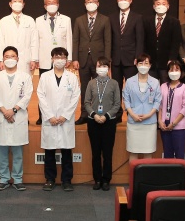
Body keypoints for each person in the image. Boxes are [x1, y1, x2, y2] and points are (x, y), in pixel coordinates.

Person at [0, 46, 34, 191]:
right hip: (1, 117)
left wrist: (13, 110)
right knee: (2, 151)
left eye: (12, 56)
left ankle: (17, 179)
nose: (10, 59)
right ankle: (3, 178)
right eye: (7, 56)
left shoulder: (25, 77)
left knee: (17, 151)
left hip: (18, 116)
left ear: (18, 59)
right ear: (2, 59)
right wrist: (5, 111)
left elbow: (27, 96)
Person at [37, 47, 80, 192]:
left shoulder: (72, 77)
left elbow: (75, 97)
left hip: (65, 120)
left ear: (66, 60)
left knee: (66, 151)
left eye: (62, 57)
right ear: (52, 59)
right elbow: (41, 96)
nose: (59, 60)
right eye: (57, 57)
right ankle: (50, 179)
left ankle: (67, 180)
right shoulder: (45, 77)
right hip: (49, 119)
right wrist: (49, 116)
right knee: (49, 151)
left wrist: (65, 116)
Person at [73, 0, 112, 125]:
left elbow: (108, 41)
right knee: (84, 88)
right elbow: (75, 40)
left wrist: (106, 61)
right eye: (88, 1)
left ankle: (98, 114)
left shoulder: (105, 20)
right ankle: (84, 114)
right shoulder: (79, 20)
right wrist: (75, 58)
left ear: (98, 3)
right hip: (83, 59)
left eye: (93, 1)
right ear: (85, 4)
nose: (91, 3)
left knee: (99, 88)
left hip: (99, 61)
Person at [35, 0, 73, 125]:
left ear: (58, 4)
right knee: (44, 89)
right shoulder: (38, 20)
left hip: (61, 59)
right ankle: (42, 116)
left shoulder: (66, 19)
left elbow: (69, 39)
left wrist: (69, 58)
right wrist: (35, 58)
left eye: (54, 2)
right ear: (45, 6)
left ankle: (61, 114)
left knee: (61, 88)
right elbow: (36, 41)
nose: (52, 5)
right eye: (49, 3)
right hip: (44, 60)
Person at [84, 57, 120, 191]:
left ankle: (106, 180)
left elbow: (117, 104)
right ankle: (97, 179)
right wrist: (94, 115)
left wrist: (106, 116)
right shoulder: (91, 83)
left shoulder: (114, 83)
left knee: (107, 153)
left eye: (105, 66)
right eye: (100, 66)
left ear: (108, 69)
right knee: (95, 153)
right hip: (93, 121)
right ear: (96, 68)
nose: (102, 68)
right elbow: (86, 102)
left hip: (109, 121)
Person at [111, 0, 144, 121]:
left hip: (131, 59)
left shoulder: (137, 17)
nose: (123, 1)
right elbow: (110, 39)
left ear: (131, 0)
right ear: (117, 1)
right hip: (115, 59)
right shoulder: (112, 17)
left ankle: (132, 113)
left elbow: (140, 39)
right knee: (116, 88)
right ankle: (117, 114)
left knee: (132, 88)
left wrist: (138, 57)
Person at [122, 54, 162, 162]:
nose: (143, 65)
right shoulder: (129, 81)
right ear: (136, 65)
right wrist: (132, 115)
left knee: (148, 152)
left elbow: (157, 101)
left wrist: (149, 114)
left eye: (146, 63)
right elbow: (126, 100)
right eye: (141, 63)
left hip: (150, 122)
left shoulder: (155, 82)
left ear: (150, 65)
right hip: (133, 121)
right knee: (133, 152)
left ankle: (146, 174)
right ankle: (133, 174)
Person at [0, 0, 38, 76]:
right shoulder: (4, 21)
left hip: (25, 60)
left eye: (19, 1)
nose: (17, 3)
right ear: (10, 4)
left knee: (25, 80)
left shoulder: (30, 20)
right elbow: (0, 42)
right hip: (9, 59)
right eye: (15, 1)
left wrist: (34, 59)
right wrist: (0, 60)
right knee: (9, 80)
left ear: (23, 4)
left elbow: (34, 41)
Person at [143, 0, 181, 85]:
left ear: (168, 6)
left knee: (166, 86)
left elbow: (176, 42)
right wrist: (145, 58)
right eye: (158, 4)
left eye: (163, 4)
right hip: (151, 61)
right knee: (150, 87)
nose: (161, 6)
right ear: (154, 6)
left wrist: (172, 59)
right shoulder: (147, 21)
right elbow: (144, 40)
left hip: (166, 62)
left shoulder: (174, 22)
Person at [158, 60, 185, 160]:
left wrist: (174, 123)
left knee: (180, 156)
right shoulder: (163, 86)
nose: (174, 72)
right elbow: (160, 105)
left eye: (177, 69)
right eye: (171, 70)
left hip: (179, 127)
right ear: (167, 72)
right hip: (164, 127)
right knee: (167, 156)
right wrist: (160, 121)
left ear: (181, 72)